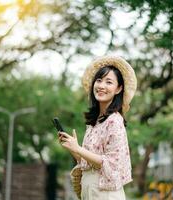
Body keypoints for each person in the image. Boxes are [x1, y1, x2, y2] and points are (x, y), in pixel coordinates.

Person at [58, 55, 137, 200]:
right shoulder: (94, 122)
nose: (101, 86)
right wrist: (73, 148)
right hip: (89, 190)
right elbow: (88, 163)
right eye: (99, 80)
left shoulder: (115, 121)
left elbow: (111, 163)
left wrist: (79, 149)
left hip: (105, 193)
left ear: (118, 89)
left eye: (109, 82)